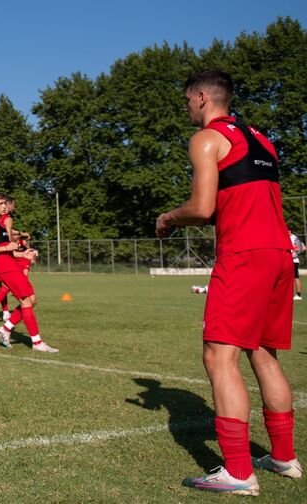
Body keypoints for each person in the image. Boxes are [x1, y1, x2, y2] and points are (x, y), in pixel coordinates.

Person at [156, 69, 300, 495]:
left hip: (245, 255)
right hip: (279, 254)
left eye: (186, 100)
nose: (186, 108)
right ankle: (284, 457)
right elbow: (238, 197)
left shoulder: (205, 139)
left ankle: (238, 472)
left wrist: (168, 218)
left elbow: (202, 207)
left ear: (202, 97)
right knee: (264, 354)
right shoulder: (261, 138)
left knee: (219, 356)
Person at [0, 192, 57, 353]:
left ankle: (5, 329)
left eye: (4, 204)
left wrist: (23, 254)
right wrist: (7, 247)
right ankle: (37, 342)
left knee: (32, 300)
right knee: (26, 302)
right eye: (0, 203)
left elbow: (8, 251)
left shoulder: (2, 224)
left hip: (12, 264)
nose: (4, 206)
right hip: (5, 268)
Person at [290, 229, 305, 300]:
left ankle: (298, 295)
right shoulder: (294, 238)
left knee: (295, 277)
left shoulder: (293, 238)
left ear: (289, 231)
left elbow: (304, 248)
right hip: (291, 260)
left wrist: (295, 254)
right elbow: (304, 248)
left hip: (293, 261)